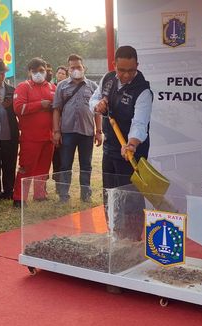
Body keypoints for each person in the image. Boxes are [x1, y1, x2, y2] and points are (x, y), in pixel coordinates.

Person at [90, 45, 153, 241]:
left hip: (132, 151)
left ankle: (132, 240)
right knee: (110, 193)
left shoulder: (143, 91)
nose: (126, 75)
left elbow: (140, 123)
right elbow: (93, 100)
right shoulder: (108, 79)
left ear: (137, 66)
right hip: (110, 148)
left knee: (130, 198)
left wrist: (132, 144)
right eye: (122, 70)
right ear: (114, 65)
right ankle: (114, 233)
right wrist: (98, 105)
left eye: (131, 70)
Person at [52, 54, 101, 202]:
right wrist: (56, 132)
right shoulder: (62, 86)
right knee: (65, 165)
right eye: (72, 68)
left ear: (83, 67)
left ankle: (85, 195)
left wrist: (99, 132)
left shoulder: (93, 86)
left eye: (78, 67)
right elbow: (56, 110)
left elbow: (97, 111)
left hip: (87, 132)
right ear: (68, 69)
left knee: (86, 165)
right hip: (67, 132)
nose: (76, 70)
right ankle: (63, 195)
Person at [12, 57, 55, 207]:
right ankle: (19, 198)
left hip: (48, 136)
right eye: (35, 71)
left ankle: (39, 194)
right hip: (30, 138)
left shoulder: (51, 87)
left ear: (46, 71)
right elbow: (18, 108)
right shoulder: (23, 87)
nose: (38, 73)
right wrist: (40, 104)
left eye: (41, 71)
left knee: (43, 168)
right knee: (26, 168)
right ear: (29, 72)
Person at [0, 59, 18, 201]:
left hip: (8, 134)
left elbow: (18, 112)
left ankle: (8, 191)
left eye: (3, 74)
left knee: (9, 164)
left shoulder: (12, 90)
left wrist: (10, 107)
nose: (0, 77)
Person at [51, 65, 69, 188]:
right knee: (55, 157)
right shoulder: (51, 88)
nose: (61, 75)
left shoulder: (69, 89)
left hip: (66, 127)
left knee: (64, 157)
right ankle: (57, 181)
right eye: (59, 73)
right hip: (54, 127)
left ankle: (61, 185)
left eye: (63, 73)